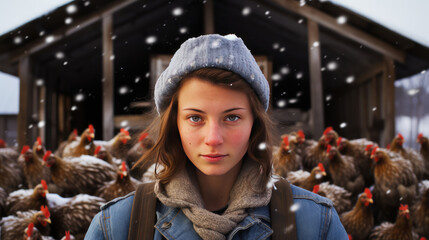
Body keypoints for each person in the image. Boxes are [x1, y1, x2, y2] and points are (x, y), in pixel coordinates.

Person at [85, 34, 348, 239]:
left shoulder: (315, 224)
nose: (213, 138)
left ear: (254, 123)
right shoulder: (118, 227)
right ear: (174, 123)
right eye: (195, 118)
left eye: (232, 117)